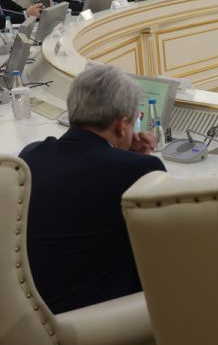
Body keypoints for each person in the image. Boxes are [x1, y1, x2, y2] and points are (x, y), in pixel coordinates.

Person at [19, 63, 163, 314]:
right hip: (96, 316)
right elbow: (165, 252)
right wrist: (134, 160)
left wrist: (126, 155)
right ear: (122, 125)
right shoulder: (140, 170)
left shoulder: (30, 157)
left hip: (31, 310)